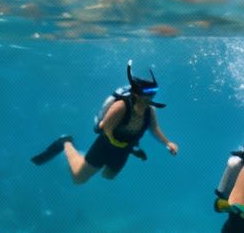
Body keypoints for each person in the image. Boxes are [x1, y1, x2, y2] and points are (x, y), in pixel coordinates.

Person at [30, 63, 178, 184]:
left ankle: (98, 157)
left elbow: (154, 128)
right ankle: (66, 143)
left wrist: (168, 143)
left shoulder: (149, 110)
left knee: (108, 176)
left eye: (154, 93)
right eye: (148, 94)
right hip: (106, 145)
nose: (151, 97)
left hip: (125, 147)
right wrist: (117, 143)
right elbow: (104, 127)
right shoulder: (121, 106)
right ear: (136, 93)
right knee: (79, 178)